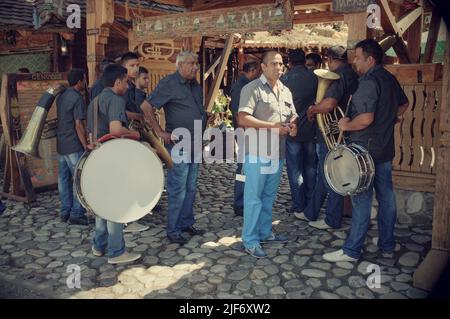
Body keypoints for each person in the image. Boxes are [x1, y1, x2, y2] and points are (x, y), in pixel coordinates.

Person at [323, 39, 409, 262]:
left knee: (361, 200)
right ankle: (388, 245)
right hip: (384, 150)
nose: (355, 63)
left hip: (364, 152)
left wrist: (345, 126)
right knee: (386, 198)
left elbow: (365, 119)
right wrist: (393, 118)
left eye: (358, 58)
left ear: (370, 59)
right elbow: (404, 104)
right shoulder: (389, 78)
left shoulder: (368, 82)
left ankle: (352, 250)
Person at [141, 51, 206, 245]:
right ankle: (173, 229)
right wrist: (160, 132)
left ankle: (186, 223)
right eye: (191, 64)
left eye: (196, 63)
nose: (196, 67)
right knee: (178, 188)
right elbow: (146, 107)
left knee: (191, 187)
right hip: (179, 145)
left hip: (195, 143)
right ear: (180, 65)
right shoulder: (169, 83)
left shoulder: (195, 85)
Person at [238, 51, 297, 258]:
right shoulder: (252, 89)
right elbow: (243, 119)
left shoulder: (286, 91)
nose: (278, 68)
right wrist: (273, 127)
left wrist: (293, 126)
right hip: (256, 152)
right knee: (253, 198)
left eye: (281, 64)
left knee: (269, 197)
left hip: (277, 153)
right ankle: (250, 240)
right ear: (263, 67)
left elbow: (293, 116)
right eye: (273, 64)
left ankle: (265, 232)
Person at [88, 64, 141, 264]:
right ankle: (117, 252)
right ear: (118, 81)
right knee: (116, 204)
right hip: (112, 156)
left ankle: (99, 246)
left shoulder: (95, 100)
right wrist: (134, 133)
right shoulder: (116, 100)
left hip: (96, 156)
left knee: (102, 204)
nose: (128, 86)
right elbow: (116, 129)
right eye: (126, 82)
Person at [301, 46, 359, 229]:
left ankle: (332, 219)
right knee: (324, 174)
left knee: (331, 175)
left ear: (330, 59)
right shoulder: (353, 74)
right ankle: (311, 212)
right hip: (345, 132)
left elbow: (329, 105)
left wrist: (312, 109)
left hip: (332, 135)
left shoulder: (338, 75)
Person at [281, 49, 318, 216]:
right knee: (311, 167)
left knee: (295, 169)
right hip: (311, 130)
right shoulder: (315, 77)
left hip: (292, 130)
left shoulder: (284, 80)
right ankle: (311, 203)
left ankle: (298, 205)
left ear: (289, 62)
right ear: (304, 61)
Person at [56, 68, 89, 225]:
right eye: (84, 79)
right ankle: (76, 213)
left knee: (63, 179)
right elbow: (78, 125)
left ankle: (65, 211)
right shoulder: (77, 98)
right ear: (79, 82)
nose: (85, 82)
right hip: (74, 144)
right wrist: (86, 145)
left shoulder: (61, 96)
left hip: (61, 143)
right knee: (78, 179)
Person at [120, 52, 149, 233]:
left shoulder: (129, 86)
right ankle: (125, 220)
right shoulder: (119, 86)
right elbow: (120, 112)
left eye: (137, 65)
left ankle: (130, 217)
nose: (136, 69)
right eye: (132, 66)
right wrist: (139, 116)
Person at [230, 60, 261, 216]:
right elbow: (238, 113)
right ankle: (240, 203)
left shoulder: (244, 84)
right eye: (259, 71)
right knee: (243, 169)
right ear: (253, 70)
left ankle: (245, 201)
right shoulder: (241, 86)